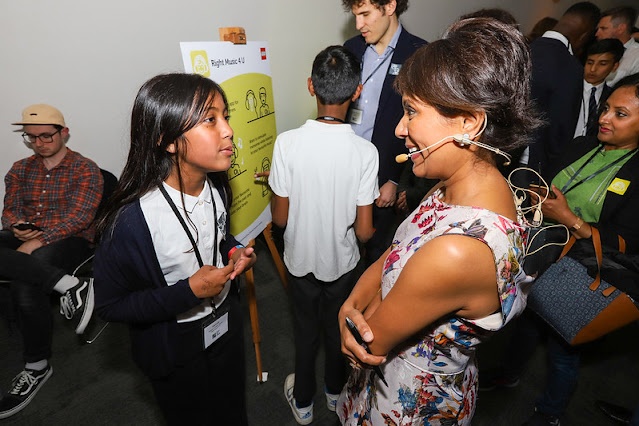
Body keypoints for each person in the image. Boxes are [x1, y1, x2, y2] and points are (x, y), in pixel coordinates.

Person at [337, 17, 539, 425]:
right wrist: (350, 303)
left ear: (469, 122)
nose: (400, 128)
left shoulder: (458, 251)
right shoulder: (456, 186)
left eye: (411, 111)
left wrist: (352, 315)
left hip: (407, 403)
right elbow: (396, 254)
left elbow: (370, 340)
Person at [92, 73, 256, 425]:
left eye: (225, 117)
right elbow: (110, 305)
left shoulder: (217, 185)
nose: (228, 130)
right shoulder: (130, 222)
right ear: (167, 140)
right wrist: (188, 292)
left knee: (232, 409)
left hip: (225, 324)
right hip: (174, 345)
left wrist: (234, 251)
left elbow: (218, 236)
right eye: (210, 120)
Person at [266, 45, 379, 425]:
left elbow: (280, 220)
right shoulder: (366, 152)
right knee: (337, 330)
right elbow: (364, 231)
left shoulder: (286, 143)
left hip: (299, 261)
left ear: (310, 86)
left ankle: (303, 402)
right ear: (357, 91)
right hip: (343, 265)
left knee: (304, 332)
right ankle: (334, 392)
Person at [520, 73, 639, 426]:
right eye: (606, 108)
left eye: (620, 114)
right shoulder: (582, 146)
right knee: (523, 325)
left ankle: (550, 413)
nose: (605, 118)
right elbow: (549, 181)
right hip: (536, 253)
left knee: (562, 348)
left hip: (578, 273)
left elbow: (628, 241)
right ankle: (507, 375)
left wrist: (570, 219)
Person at [0, 104, 103, 419]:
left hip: (71, 239)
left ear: (64, 133)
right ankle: (70, 286)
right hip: (31, 235)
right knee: (26, 263)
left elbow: (80, 218)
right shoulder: (20, 168)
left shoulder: (85, 168)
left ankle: (37, 366)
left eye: (46, 136)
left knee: (26, 278)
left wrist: (36, 242)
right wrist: (16, 226)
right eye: (31, 137)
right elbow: (10, 209)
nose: (39, 143)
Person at [341, 0, 427, 266]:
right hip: (346, 164)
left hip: (384, 171)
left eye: (365, 14)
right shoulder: (351, 49)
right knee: (342, 240)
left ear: (390, 6)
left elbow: (419, 124)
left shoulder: (418, 54)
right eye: (356, 16)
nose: (359, 24)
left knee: (377, 247)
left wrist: (394, 179)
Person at [517, 2, 601, 183]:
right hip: (529, 166)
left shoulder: (521, 50)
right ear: (585, 35)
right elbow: (560, 129)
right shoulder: (569, 67)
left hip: (498, 154)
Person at [573, 38, 625, 138]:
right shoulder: (569, 89)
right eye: (590, 62)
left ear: (614, 66)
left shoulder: (612, 96)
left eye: (602, 64)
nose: (593, 69)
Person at [595, 7, 639, 86]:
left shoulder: (637, 56)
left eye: (603, 28)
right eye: (598, 29)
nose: (597, 34)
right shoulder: (596, 49)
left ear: (621, 29)